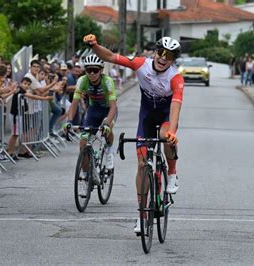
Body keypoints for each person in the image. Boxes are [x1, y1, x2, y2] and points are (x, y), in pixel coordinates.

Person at [83, 34, 183, 233]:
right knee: (141, 165)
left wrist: (172, 131)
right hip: (146, 117)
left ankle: (172, 172)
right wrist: (94, 46)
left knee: (165, 137)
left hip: (165, 116)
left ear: (173, 60)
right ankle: (142, 215)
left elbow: (175, 105)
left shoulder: (175, 77)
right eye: (161, 53)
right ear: (155, 52)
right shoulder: (141, 64)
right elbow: (111, 57)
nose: (163, 58)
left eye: (169, 56)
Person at [63, 54, 118, 188]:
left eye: (95, 70)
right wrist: (69, 121)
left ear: (101, 70)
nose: (92, 73)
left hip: (108, 110)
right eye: (89, 70)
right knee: (83, 144)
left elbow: (113, 106)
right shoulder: (82, 81)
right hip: (93, 111)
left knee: (107, 127)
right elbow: (74, 104)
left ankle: (109, 151)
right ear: (85, 71)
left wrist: (107, 123)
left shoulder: (108, 81)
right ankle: (88, 175)